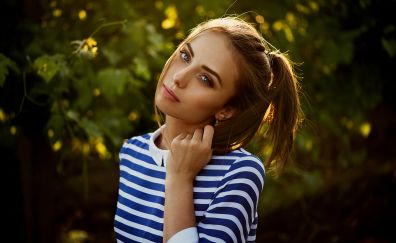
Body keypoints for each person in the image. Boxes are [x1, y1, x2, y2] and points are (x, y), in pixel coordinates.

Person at [114, 16, 301, 243]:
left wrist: (180, 179)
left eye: (205, 78)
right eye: (185, 56)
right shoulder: (132, 152)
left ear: (227, 109)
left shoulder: (239, 173)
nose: (179, 77)